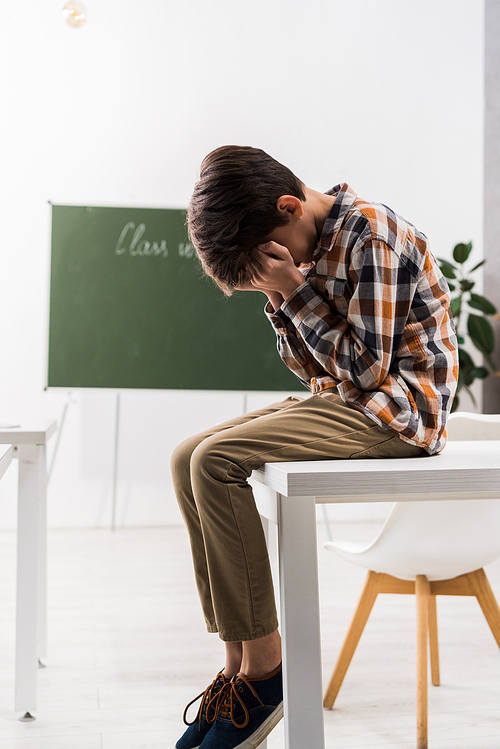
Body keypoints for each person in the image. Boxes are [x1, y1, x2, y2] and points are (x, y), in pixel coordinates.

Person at [171, 145, 458, 749]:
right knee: (185, 457)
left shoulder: (372, 238)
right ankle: (236, 669)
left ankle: (267, 674)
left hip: (399, 413)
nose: (277, 265)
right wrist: (282, 298)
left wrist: (294, 291)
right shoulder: (307, 247)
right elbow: (314, 372)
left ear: (289, 206)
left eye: (272, 254)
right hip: (347, 402)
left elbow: (367, 374)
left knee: (214, 461)